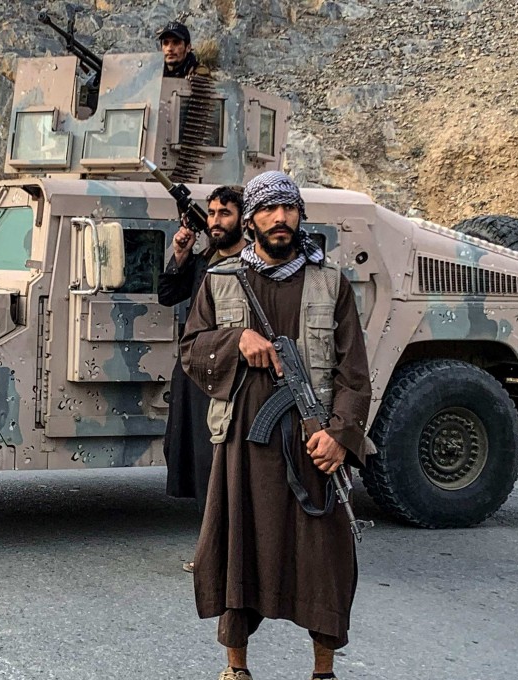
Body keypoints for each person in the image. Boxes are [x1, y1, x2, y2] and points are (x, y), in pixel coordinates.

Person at [181, 172, 372, 680]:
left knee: (324, 560)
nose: (280, 218)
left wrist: (340, 436)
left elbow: (355, 373)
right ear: (252, 219)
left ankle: (323, 670)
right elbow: (190, 350)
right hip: (245, 442)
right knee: (236, 551)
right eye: (269, 210)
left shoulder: (330, 281)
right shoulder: (220, 280)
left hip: (314, 442)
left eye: (289, 209)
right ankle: (236, 668)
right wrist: (234, 341)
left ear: (300, 216)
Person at [159, 186, 244, 573]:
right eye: (211, 213)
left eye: (225, 213)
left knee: (226, 463)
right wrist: (180, 252)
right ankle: (214, 547)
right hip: (196, 373)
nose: (215, 221)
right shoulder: (206, 260)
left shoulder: (250, 264)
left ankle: (226, 553)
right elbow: (167, 294)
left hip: (233, 376)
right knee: (199, 462)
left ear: (244, 217)